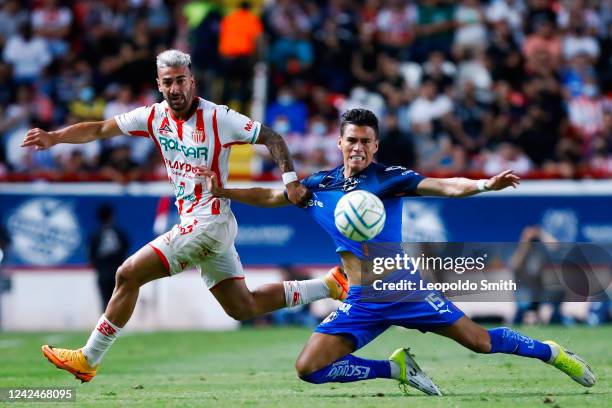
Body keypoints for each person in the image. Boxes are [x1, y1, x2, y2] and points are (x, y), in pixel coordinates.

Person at [200, 109, 596, 395]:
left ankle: (551, 352)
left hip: (402, 286)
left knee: (480, 342)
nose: (357, 147)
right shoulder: (319, 185)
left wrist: (483, 185)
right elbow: (274, 195)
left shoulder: (390, 179)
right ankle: (395, 369)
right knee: (310, 369)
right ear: (340, 143)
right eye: (351, 140)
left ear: (375, 146)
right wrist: (224, 190)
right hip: (360, 299)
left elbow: (444, 186)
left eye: (365, 142)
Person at [21, 49, 348, 383]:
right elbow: (100, 129)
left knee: (127, 274)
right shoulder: (153, 117)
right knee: (242, 307)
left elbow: (272, 137)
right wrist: (54, 137)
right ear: (159, 85)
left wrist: (290, 180)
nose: (175, 88)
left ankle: (88, 358)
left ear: (192, 81)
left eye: (181, 80)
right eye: (168, 82)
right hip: (201, 224)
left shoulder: (219, 117)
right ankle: (328, 285)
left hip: (207, 224)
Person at [89, 204, 130, 310]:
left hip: (102, 274)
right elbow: (125, 251)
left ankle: (105, 325)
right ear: (112, 216)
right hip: (118, 273)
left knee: (105, 303)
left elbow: (91, 256)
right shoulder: (119, 234)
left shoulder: (95, 236)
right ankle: (116, 325)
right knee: (118, 302)